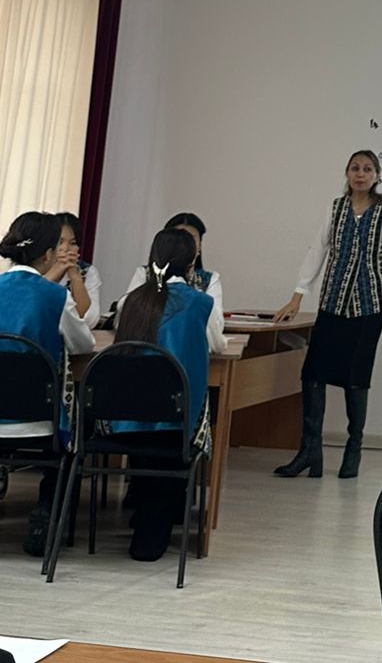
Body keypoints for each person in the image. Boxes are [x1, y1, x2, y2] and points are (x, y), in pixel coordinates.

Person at [273, 149, 382, 480]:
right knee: (313, 373)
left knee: (356, 377)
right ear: (347, 174)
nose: (361, 174)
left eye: (367, 169)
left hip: (369, 306)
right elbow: (317, 251)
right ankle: (310, 451)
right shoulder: (335, 208)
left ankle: (353, 450)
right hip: (333, 302)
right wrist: (297, 296)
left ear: (377, 176)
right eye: (355, 168)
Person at [113, 227, 224, 561]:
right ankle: (155, 531)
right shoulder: (200, 303)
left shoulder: (131, 301)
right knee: (172, 453)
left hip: (127, 417)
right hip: (175, 420)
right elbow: (217, 344)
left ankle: (144, 517)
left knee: (149, 456)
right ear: (191, 264)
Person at [0, 210, 95, 557]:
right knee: (75, 438)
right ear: (48, 254)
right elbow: (84, 345)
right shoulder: (55, 297)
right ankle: (45, 514)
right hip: (38, 421)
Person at [126, 211, 224, 328]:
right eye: (176, 238)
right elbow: (125, 315)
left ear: (200, 246)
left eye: (190, 238)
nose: (183, 244)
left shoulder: (209, 280)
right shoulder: (144, 274)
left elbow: (216, 323)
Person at [54, 212, 102, 329]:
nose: (66, 249)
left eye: (73, 243)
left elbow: (90, 320)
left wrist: (75, 278)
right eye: (60, 242)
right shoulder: (35, 269)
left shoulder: (87, 271)